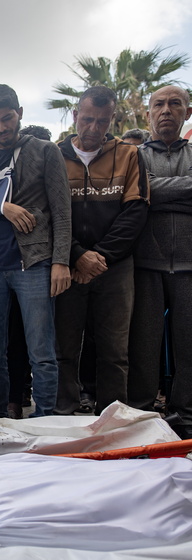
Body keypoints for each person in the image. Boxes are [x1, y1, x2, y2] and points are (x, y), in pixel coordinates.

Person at [0, 85, 71, 418]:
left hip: (35, 264)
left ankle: (45, 419)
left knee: (42, 352)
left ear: (20, 113)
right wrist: (4, 207)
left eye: (8, 119)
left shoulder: (44, 150)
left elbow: (62, 210)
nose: (2, 128)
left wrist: (61, 262)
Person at [54, 86, 149, 415]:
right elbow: (48, 213)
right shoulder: (54, 155)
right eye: (88, 120)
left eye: (103, 121)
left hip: (115, 268)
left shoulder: (130, 154)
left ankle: (112, 419)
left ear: (112, 120)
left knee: (114, 351)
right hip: (67, 265)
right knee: (63, 347)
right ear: (75, 116)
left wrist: (101, 257)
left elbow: (135, 212)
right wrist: (77, 254)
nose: (94, 129)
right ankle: (62, 414)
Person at [128, 86, 192, 438]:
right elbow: (141, 193)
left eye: (174, 104)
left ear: (188, 112)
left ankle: (186, 417)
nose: (166, 110)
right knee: (143, 346)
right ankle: (142, 417)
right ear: (148, 112)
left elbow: (153, 192)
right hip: (145, 264)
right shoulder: (134, 156)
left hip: (189, 264)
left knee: (189, 347)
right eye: (159, 105)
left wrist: (158, 193)